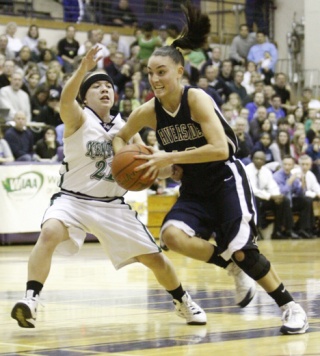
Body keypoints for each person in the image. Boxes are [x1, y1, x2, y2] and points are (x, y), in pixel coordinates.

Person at [112, 3, 308, 335]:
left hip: (226, 178)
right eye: (149, 72)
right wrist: (135, 154)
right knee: (172, 236)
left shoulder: (197, 98)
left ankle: (291, 306)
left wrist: (169, 159)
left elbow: (221, 149)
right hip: (194, 187)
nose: (154, 78)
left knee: (245, 253)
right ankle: (230, 266)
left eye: (161, 71)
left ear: (178, 71)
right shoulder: (148, 111)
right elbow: (119, 136)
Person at [11, 46, 206, 329]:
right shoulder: (78, 118)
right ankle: (30, 299)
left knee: (155, 260)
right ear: (85, 96)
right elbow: (66, 98)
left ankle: (182, 300)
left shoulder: (126, 127)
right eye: (97, 87)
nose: (105, 90)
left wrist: (173, 168)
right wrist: (82, 69)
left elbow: (148, 163)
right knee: (50, 231)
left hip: (113, 205)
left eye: (108, 86)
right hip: (73, 200)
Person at [245, 151, 297, 239]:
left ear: (264, 161)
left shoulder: (266, 171)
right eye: (256, 158)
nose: (258, 161)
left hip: (264, 198)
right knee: (255, 199)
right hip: (250, 199)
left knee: (284, 200)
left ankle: (279, 231)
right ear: (252, 160)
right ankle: (255, 231)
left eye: (261, 159)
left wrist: (277, 196)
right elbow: (253, 190)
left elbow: (272, 186)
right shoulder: (247, 170)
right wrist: (271, 196)